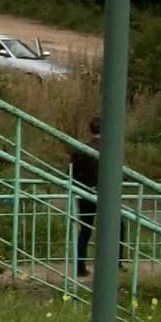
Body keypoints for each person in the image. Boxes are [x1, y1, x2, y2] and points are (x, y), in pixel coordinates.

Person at [71, 116, 102, 279]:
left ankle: (80, 265)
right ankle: (115, 262)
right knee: (115, 227)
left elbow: (72, 172)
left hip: (84, 193)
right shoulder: (109, 148)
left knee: (85, 230)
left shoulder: (80, 149)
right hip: (104, 193)